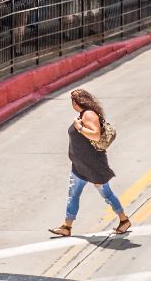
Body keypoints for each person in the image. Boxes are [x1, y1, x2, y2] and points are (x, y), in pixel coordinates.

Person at [49, 89, 129, 238]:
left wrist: (79, 127)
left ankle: (124, 220)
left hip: (93, 165)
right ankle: (67, 226)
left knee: (106, 194)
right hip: (80, 166)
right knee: (73, 195)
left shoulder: (89, 115)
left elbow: (96, 135)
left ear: (76, 102)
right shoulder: (83, 115)